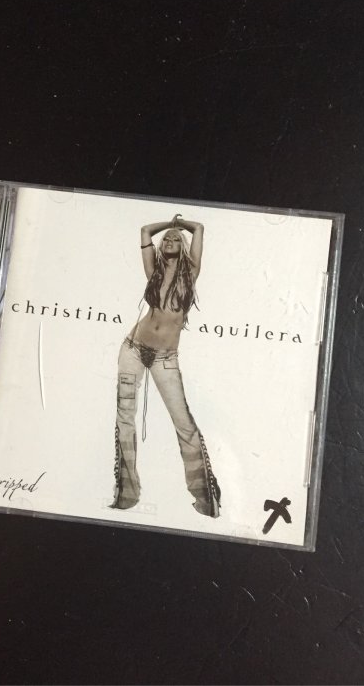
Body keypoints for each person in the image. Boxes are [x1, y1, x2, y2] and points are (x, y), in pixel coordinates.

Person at [110, 213, 221, 517]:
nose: (170, 240)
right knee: (125, 417)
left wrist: (180, 225)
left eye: (176, 238)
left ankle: (205, 498)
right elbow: (145, 230)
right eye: (167, 239)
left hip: (165, 358)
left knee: (184, 422)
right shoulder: (154, 272)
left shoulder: (191, 272)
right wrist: (169, 225)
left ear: (183, 246)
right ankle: (126, 494)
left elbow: (199, 227)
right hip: (133, 349)